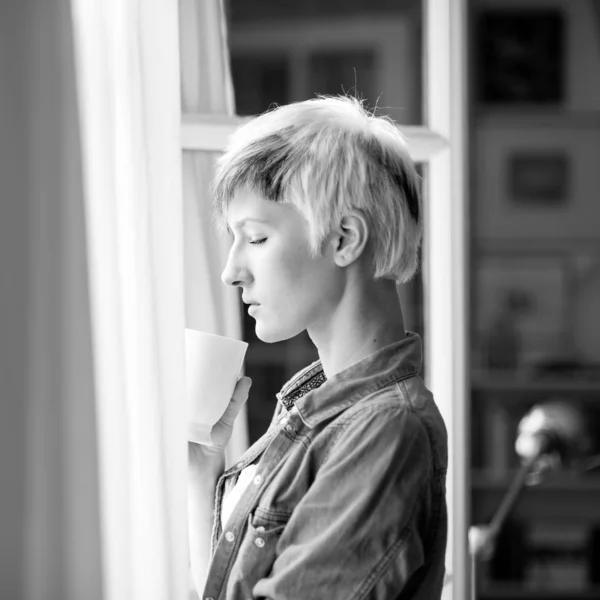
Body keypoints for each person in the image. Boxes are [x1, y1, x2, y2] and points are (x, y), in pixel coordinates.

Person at [188, 96, 448, 600]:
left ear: (345, 238)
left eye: (256, 238)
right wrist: (200, 470)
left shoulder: (383, 432)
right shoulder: (321, 412)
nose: (231, 271)